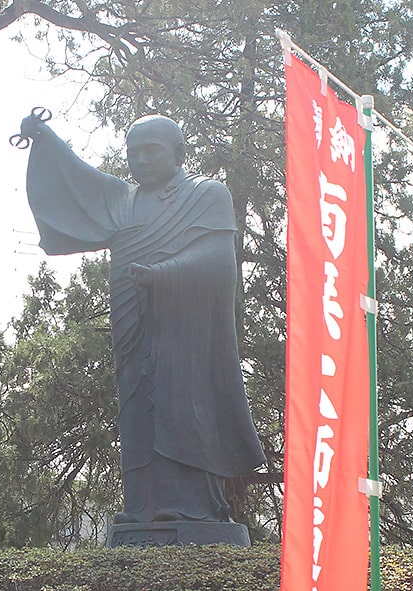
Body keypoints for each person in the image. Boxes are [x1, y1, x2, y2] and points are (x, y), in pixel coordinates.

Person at [19, 112, 265, 524]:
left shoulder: (206, 193)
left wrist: (164, 274)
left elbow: (219, 258)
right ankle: (142, 505)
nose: (141, 160)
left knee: (183, 402)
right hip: (132, 317)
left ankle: (192, 507)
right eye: (133, 153)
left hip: (185, 325)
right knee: (135, 405)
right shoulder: (123, 199)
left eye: (152, 150)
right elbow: (79, 182)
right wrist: (43, 140)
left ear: (179, 153)